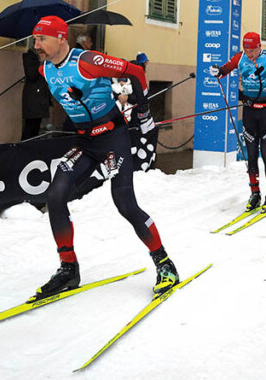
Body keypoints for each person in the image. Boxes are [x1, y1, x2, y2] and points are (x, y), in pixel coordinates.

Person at [30, 16, 177, 300]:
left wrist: (144, 112)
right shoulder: (46, 70)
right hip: (85, 141)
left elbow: (135, 71)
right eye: (35, 39)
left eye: (42, 39)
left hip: (112, 137)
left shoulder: (87, 60)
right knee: (56, 193)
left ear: (61, 37)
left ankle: (164, 263)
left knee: (125, 203)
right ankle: (68, 268)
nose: (36, 45)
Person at [209, 31, 266, 211]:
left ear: (259, 47)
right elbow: (224, 70)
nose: (249, 54)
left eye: (252, 50)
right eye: (246, 50)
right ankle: (255, 193)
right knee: (251, 156)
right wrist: (217, 71)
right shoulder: (239, 58)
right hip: (249, 111)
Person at [21, 45, 51, 140]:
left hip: (41, 97)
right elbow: (31, 75)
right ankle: (25, 149)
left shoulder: (42, 59)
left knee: (35, 128)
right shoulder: (30, 57)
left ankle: (31, 148)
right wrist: (41, 62)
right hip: (33, 98)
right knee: (30, 128)